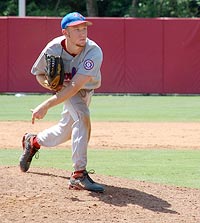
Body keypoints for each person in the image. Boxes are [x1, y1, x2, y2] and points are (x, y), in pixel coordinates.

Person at [19, 12, 105, 193]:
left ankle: (33, 141)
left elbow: (75, 87)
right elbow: (39, 74)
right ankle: (78, 174)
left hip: (82, 90)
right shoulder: (53, 48)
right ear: (65, 33)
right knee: (83, 118)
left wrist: (46, 105)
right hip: (64, 91)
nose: (83, 33)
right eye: (77, 29)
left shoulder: (93, 51)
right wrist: (50, 84)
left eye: (84, 28)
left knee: (65, 132)